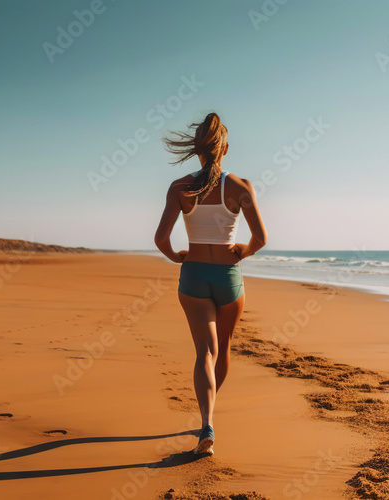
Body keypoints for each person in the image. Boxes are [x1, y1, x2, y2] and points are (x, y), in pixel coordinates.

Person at [153, 112, 268, 455]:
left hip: (194, 276)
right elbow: (260, 238)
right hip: (228, 276)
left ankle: (206, 424)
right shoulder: (240, 186)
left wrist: (177, 257)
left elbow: (161, 238)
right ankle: (210, 414)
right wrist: (242, 251)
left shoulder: (179, 188)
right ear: (225, 148)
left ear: (197, 149)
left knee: (204, 350)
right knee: (224, 348)